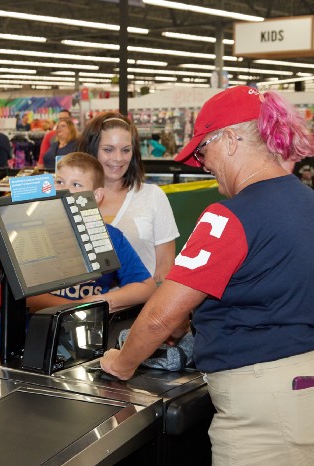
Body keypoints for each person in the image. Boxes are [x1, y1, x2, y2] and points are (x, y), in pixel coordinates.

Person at [100, 86, 314, 465]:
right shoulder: (306, 199)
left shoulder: (227, 217)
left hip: (262, 409)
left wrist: (121, 363)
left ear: (230, 140)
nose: (202, 163)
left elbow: (160, 317)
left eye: (203, 150)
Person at [0, 152, 157, 351]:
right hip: (25, 343)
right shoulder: (29, 230)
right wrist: (81, 307)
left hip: (82, 346)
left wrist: (101, 301)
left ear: (96, 196)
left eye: (76, 185)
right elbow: (27, 297)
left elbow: (145, 287)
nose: (64, 190)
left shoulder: (110, 237)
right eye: (60, 181)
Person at [78, 112, 178, 284]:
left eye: (125, 150)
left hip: (141, 307)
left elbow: (165, 266)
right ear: (92, 149)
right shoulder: (74, 198)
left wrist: (153, 305)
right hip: (82, 306)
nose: (118, 158)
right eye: (108, 150)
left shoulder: (152, 196)